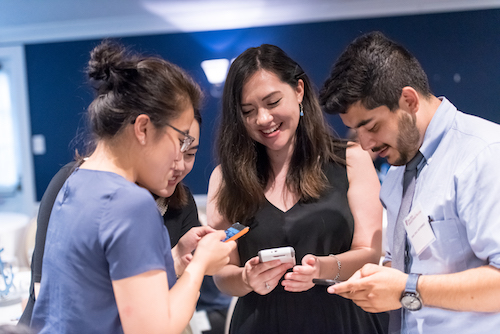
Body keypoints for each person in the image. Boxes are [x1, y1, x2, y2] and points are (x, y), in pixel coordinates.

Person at [30, 40, 235, 334]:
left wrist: (175, 258)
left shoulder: (76, 181)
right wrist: (199, 265)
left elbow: (100, 295)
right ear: (142, 129)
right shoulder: (130, 202)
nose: (180, 158)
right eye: (180, 141)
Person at [319, 31, 500, 334]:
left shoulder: (484, 154)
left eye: (371, 126)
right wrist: (375, 279)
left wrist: (407, 288)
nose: (364, 144)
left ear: (408, 100)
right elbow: (408, 263)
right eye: (355, 130)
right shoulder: (397, 172)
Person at [206, 44, 388, 334]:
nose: (263, 119)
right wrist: (246, 278)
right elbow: (222, 272)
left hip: (340, 319)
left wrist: (321, 269)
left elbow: (369, 252)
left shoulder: (350, 159)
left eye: (272, 102)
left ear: (299, 90)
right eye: (248, 111)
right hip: (259, 322)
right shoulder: (226, 179)